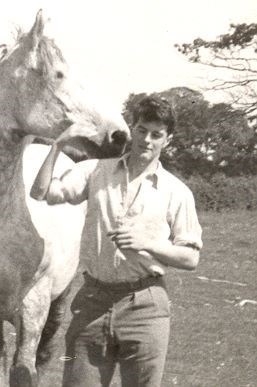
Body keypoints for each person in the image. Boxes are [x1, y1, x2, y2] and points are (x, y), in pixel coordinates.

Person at [30, 95, 202, 387]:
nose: (147, 140)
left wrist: (147, 243)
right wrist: (57, 146)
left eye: (156, 135)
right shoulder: (95, 170)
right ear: (132, 129)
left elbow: (191, 258)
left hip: (146, 308)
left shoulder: (177, 192)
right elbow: (41, 192)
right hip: (92, 304)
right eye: (141, 130)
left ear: (167, 140)